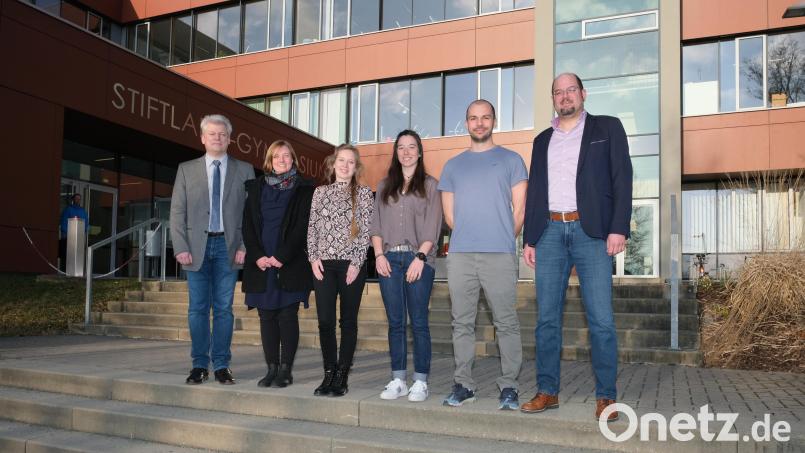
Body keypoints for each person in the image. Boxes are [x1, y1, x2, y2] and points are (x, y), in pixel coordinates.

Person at [520, 73, 633, 422]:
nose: (565, 96)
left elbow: (622, 178)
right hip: (550, 231)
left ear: (583, 93)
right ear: (553, 98)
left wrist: (618, 228)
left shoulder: (607, 128)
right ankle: (547, 391)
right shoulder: (542, 140)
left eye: (571, 90)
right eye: (559, 92)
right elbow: (536, 189)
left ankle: (606, 397)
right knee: (546, 321)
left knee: (601, 320)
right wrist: (530, 236)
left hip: (592, 232)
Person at [437, 99, 528, 410]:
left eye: (485, 117)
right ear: (466, 123)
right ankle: (464, 384)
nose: (479, 123)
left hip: (499, 254)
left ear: (494, 121)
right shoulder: (452, 166)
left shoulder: (512, 160)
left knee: (507, 322)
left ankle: (510, 387)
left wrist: (500, 237)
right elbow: (450, 218)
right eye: (473, 118)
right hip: (462, 255)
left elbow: (520, 212)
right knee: (461, 322)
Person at [170, 114, 255, 385]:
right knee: (196, 309)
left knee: (223, 309)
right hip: (195, 248)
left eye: (222, 134)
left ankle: (221, 365)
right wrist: (180, 246)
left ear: (229, 139)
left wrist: (244, 245)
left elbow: (251, 215)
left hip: (229, 248)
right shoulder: (186, 169)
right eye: (212, 133)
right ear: (203, 138)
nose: (217, 137)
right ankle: (198, 365)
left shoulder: (244, 170)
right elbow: (177, 212)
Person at [370, 130, 442, 403]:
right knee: (396, 323)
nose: (407, 152)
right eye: (402, 147)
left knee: (419, 322)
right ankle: (398, 379)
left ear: (420, 152)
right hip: (388, 260)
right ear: (396, 152)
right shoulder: (385, 185)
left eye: (412, 147)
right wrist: (378, 256)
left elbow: (433, 227)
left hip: (418, 260)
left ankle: (421, 381)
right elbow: (375, 224)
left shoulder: (431, 185)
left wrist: (420, 259)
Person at [242, 140, 315, 389]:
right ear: (269, 162)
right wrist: (257, 255)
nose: (282, 160)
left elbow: (302, 226)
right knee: (266, 316)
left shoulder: (305, 189)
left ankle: (286, 370)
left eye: (286, 156)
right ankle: (271, 368)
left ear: (293, 159)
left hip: (290, 261)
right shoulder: (256, 188)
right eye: (277, 157)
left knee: (287, 315)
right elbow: (248, 226)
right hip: (261, 262)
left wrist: (282, 256)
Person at [307, 144, 373, 397]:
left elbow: (365, 231)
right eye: (341, 161)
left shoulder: (364, 193)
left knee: (348, 321)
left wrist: (357, 263)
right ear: (333, 164)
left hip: (350, 267)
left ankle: (342, 375)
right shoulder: (320, 193)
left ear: (356, 167)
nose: (345, 166)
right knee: (325, 321)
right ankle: (328, 373)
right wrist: (313, 259)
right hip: (323, 265)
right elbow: (312, 228)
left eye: (351, 162)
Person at [59, 193, 89, 271]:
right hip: (68, 237)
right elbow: (63, 224)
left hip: (79, 238)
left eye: (79, 199)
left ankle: (77, 271)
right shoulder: (68, 209)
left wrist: (84, 232)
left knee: (78, 256)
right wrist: (68, 235)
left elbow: (86, 224)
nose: (78, 200)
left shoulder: (83, 211)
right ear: (73, 200)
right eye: (76, 198)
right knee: (67, 256)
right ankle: (64, 271)